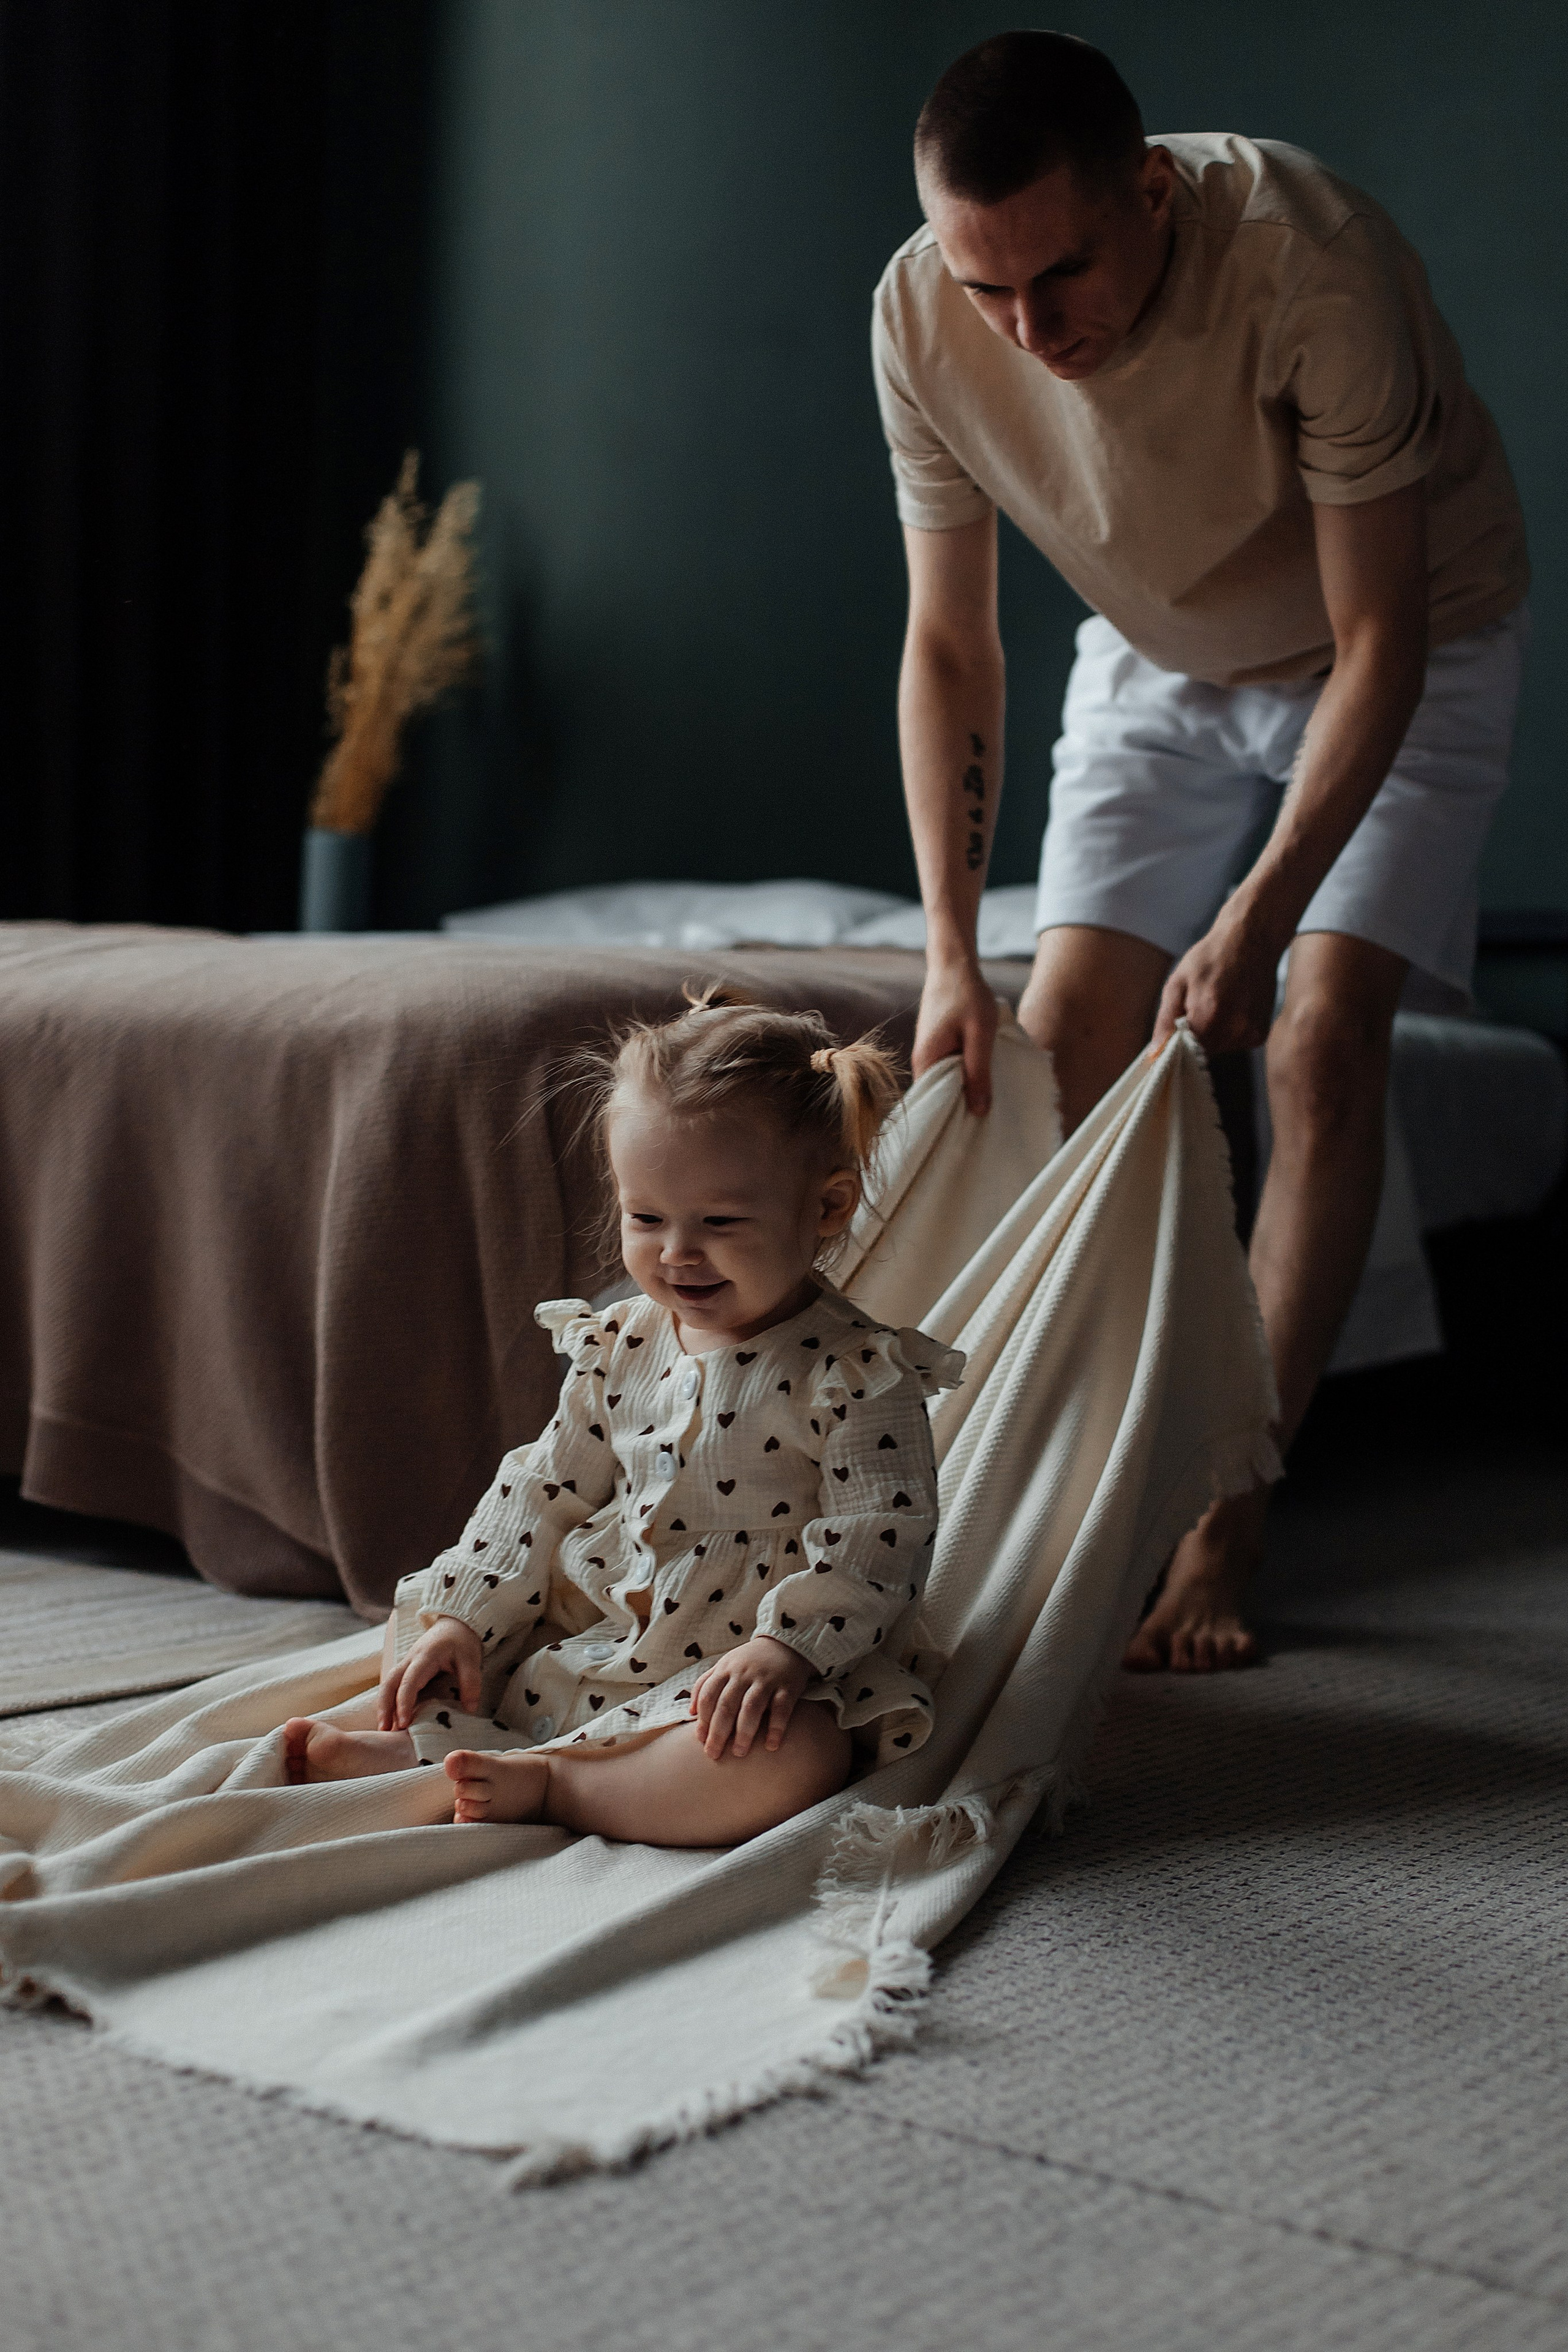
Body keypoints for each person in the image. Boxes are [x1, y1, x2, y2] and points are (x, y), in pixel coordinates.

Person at [875, 30, 1529, 1672]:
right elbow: (951, 646)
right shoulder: (917, 315)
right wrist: (952, 949)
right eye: (986, 284)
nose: (1031, 331)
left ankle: (1227, 1529)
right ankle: (1081, 1492)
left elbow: (1372, 643)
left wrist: (1259, 915)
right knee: (1055, 1042)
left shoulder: (1311, 261)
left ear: (1150, 192)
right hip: (1159, 658)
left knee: (1316, 1043)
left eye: (1064, 272)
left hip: (1408, 647)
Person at [284, 987, 962, 1846]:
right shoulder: (619, 1345)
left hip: (736, 1676)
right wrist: (465, 1617)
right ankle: (446, 1742)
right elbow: (544, 1488)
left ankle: (556, 1785)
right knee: (425, 1625)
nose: (677, 1252)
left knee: (796, 1758)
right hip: (593, 1635)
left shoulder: (856, 1374)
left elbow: (882, 1535)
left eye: (719, 1222)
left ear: (825, 1209)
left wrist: (787, 1649)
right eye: (647, 1217)